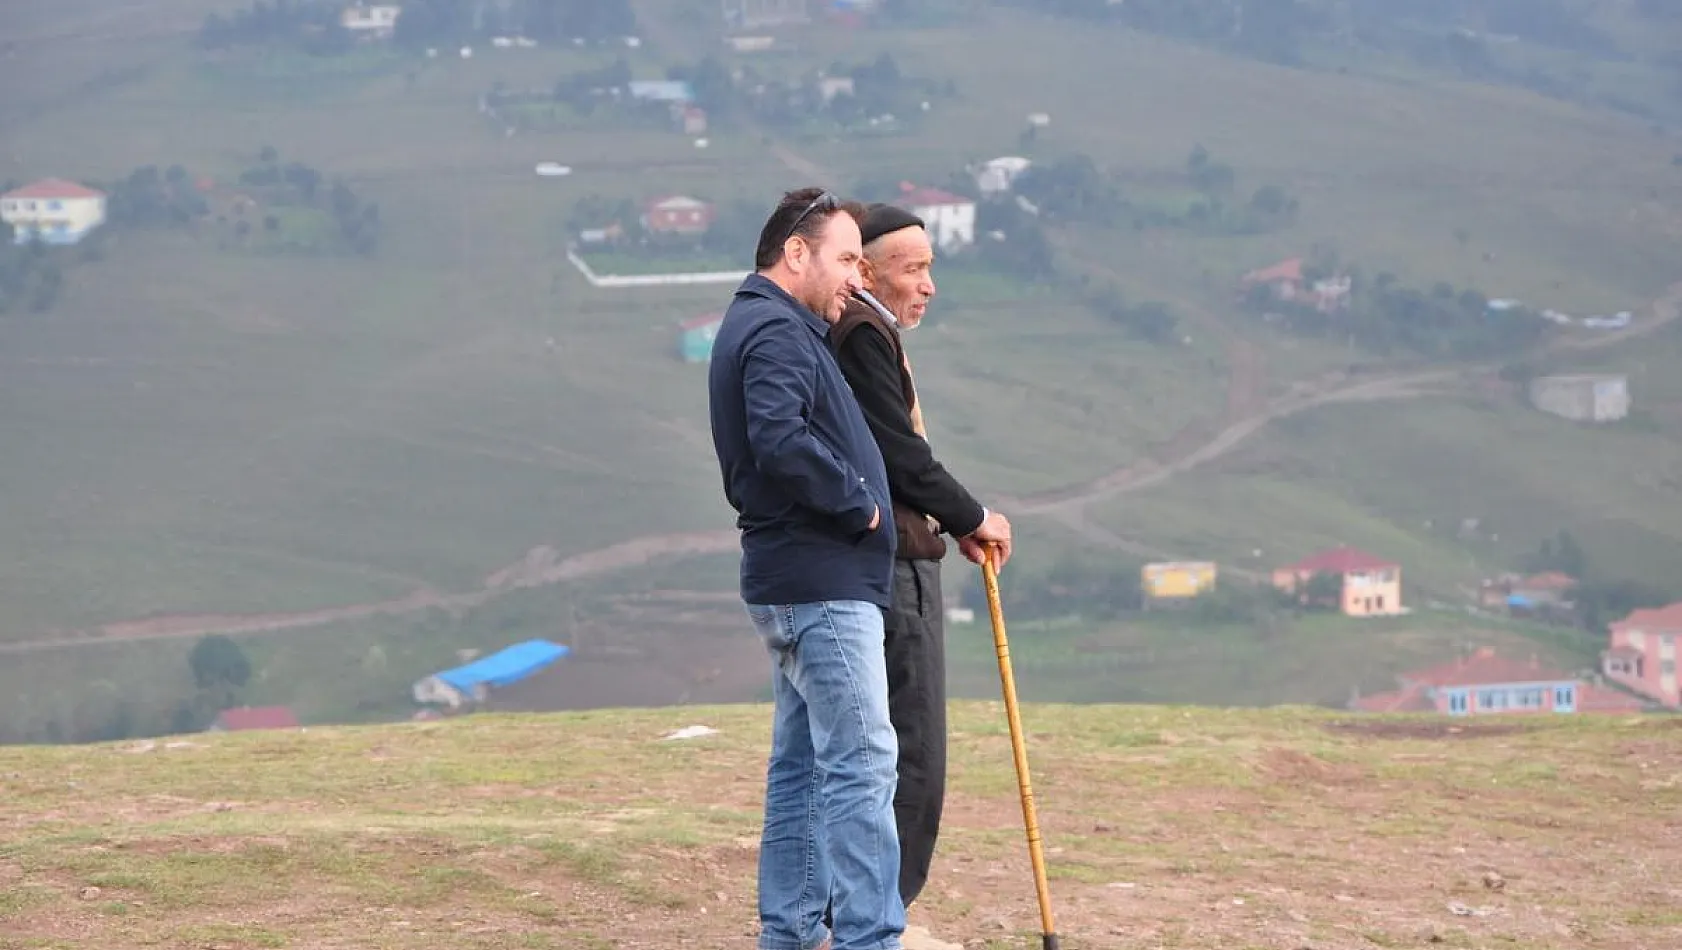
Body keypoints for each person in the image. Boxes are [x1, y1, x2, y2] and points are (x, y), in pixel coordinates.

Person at [707, 186, 906, 950]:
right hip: (820, 583)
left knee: (806, 768)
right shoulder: (778, 332)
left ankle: (789, 934)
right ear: (797, 252)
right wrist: (859, 503)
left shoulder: (764, 324)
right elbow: (779, 439)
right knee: (861, 762)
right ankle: (871, 940)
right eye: (848, 258)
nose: (859, 277)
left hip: (798, 580)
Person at [826, 203, 1013, 923]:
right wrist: (972, 517)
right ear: (867, 269)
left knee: (868, 751)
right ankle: (877, 919)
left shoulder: (848, 331)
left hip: (876, 556)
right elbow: (900, 455)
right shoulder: (862, 332)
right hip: (896, 562)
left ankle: (853, 915)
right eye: (916, 269)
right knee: (913, 751)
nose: (928, 285)